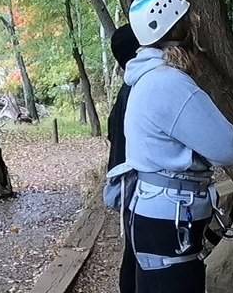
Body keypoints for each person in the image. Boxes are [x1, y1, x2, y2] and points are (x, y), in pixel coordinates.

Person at [118, 0, 233, 293]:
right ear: (178, 32)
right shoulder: (169, 83)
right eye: (189, 23)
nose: (195, 29)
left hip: (157, 217)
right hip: (169, 223)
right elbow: (227, 148)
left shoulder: (146, 79)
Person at [106, 24, 140, 293]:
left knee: (133, 249)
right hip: (135, 183)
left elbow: (111, 133)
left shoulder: (125, 92)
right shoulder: (137, 91)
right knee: (137, 253)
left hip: (124, 181)